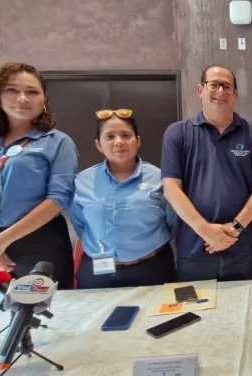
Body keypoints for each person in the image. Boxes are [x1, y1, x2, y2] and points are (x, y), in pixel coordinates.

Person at [161, 64, 252, 282]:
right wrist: (205, 230)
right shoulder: (178, 133)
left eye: (227, 86)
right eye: (214, 85)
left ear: (235, 94)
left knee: (245, 312)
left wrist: (234, 229)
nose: (221, 91)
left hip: (242, 250)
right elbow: (171, 188)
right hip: (194, 250)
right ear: (200, 90)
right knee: (196, 313)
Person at [0, 62, 77, 288]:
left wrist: (1, 241)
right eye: (12, 90)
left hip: (38, 242)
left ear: (44, 101)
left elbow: (58, 199)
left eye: (32, 91)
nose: (23, 98)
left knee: (44, 313)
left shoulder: (57, 142)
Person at [70, 109, 176, 288]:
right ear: (98, 145)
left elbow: (172, 222)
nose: (119, 142)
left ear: (138, 141)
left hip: (152, 269)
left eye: (126, 135)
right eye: (110, 137)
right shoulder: (82, 181)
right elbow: (80, 225)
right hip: (98, 272)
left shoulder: (160, 179)